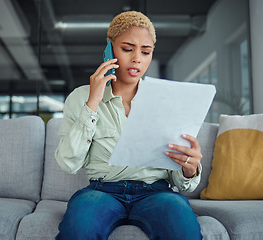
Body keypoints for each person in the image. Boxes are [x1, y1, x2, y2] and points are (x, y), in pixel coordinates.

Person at [55, 11, 203, 240]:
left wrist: (189, 168)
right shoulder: (80, 98)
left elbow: (181, 183)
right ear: (109, 49)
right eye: (127, 49)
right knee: (77, 230)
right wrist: (93, 102)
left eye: (146, 52)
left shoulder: (166, 101)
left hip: (156, 191)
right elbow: (68, 163)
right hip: (102, 191)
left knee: (183, 231)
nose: (137, 59)